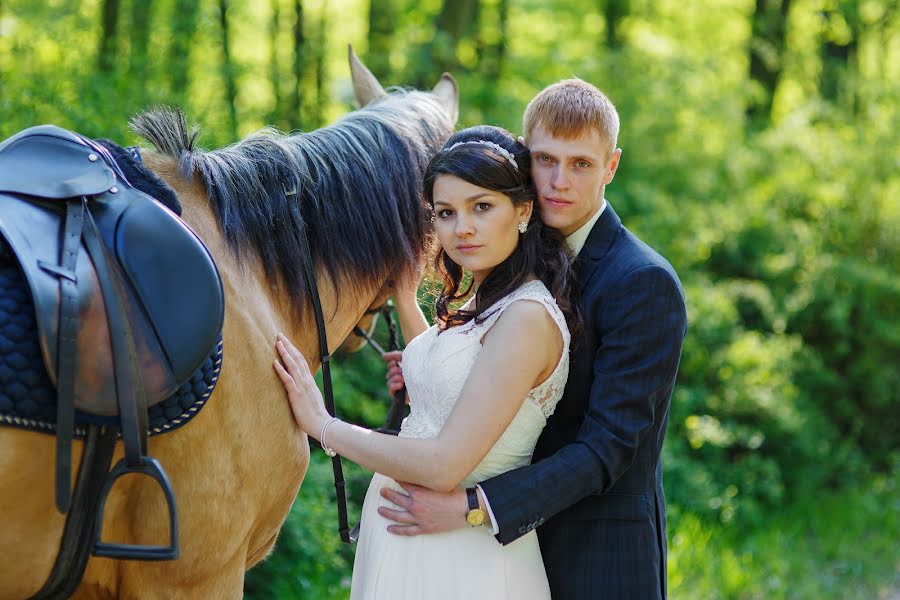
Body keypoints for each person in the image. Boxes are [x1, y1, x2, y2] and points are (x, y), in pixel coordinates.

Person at [378, 79, 688, 599]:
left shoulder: (642, 283)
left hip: (595, 556)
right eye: (545, 159)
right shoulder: (510, 257)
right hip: (493, 557)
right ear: (525, 160)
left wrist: (474, 505)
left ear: (610, 167)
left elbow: (606, 449)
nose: (558, 181)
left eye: (581, 164)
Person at [274, 125, 579, 599]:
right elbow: (450, 388)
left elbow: (442, 465)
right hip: (405, 544)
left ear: (522, 211)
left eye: (482, 207)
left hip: (462, 561)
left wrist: (322, 424)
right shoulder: (487, 302)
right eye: (446, 213)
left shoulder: (526, 318)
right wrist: (404, 297)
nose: (463, 228)